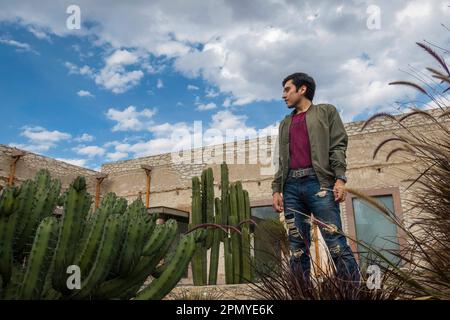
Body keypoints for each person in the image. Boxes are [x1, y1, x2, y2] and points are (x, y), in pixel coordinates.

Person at [272, 72, 360, 282]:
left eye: (287, 90)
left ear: (302, 89)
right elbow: (281, 159)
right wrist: (277, 188)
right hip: (291, 187)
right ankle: (301, 294)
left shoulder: (326, 111)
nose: (283, 95)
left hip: (319, 184)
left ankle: (353, 292)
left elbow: (338, 145)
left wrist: (340, 179)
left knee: (336, 242)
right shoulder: (285, 123)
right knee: (297, 248)